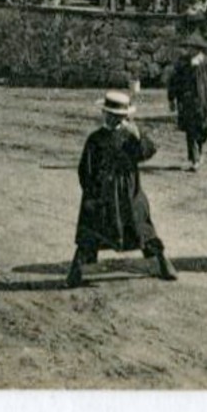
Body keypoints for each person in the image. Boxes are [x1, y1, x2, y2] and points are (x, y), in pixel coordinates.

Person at [66, 90, 179, 287]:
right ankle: (75, 272)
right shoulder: (96, 139)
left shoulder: (130, 138)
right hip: (103, 195)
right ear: (104, 115)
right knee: (91, 231)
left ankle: (162, 262)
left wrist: (138, 134)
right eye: (110, 115)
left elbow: (147, 152)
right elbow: (85, 169)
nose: (113, 120)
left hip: (130, 193)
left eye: (118, 117)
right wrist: (92, 193)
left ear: (125, 117)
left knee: (142, 227)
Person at [166, 32, 207, 170]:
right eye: (188, 47)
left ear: (199, 49)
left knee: (203, 130)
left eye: (193, 48)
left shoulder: (206, 62)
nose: (190, 50)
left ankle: (199, 154)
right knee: (191, 131)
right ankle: (194, 159)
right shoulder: (183, 63)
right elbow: (174, 81)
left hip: (205, 102)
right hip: (187, 102)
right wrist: (171, 98)